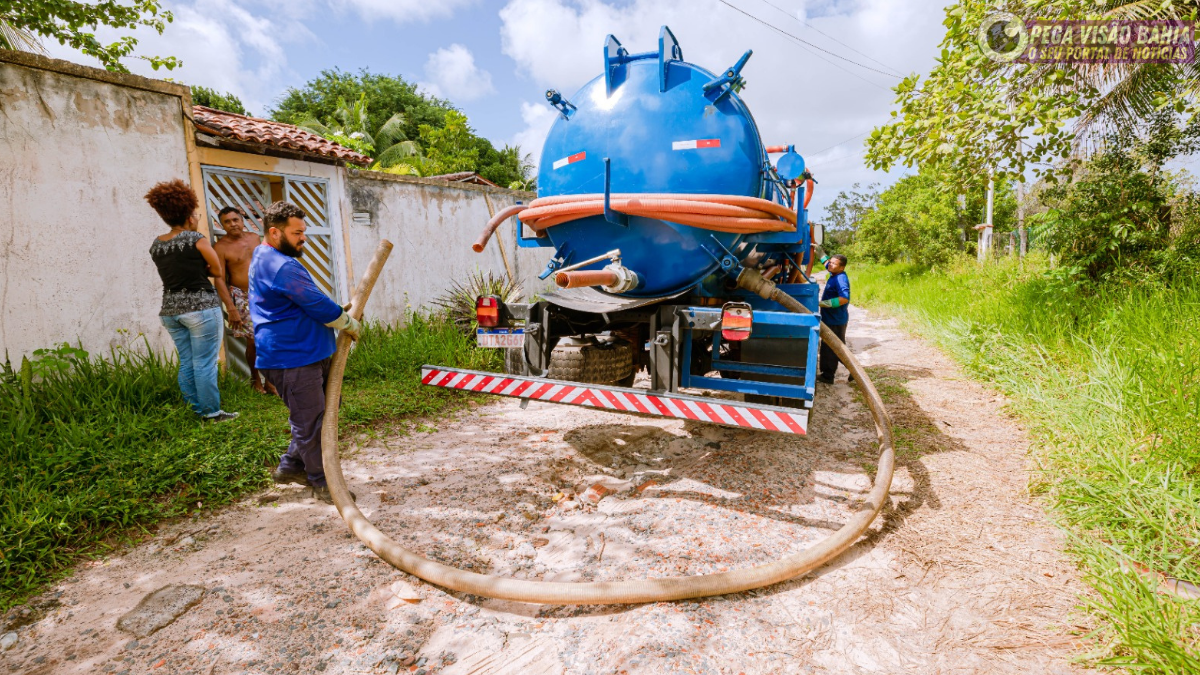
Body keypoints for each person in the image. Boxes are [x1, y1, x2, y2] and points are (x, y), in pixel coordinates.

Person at [249, 201, 362, 503]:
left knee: (316, 416)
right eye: (297, 232)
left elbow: (305, 300)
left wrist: (335, 312)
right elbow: (315, 303)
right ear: (274, 232)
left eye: (304, 232)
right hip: (292, 359)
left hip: (305, 353)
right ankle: (323, 483)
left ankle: (291, 467)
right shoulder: (279, 264)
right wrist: (347, 322)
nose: (304, 238)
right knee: (311, 421)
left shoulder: (270, 256)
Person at [144, 180, 241, 422]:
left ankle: (195, 410)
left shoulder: (156, 244)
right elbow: (217, 271)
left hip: (170, 310)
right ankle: (212, 413)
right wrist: (204, 268)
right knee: (205, 363)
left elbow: (175, 269)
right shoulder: (196, 239)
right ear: (189, 216)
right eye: (196, 214)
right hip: (201, 309)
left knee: (187, 361)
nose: (197, 218)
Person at [213, 206, 276, 396]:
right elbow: (219, 279)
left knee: (270, 338)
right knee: (253, 342)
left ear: (242, 220)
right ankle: (255, 379)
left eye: (235, 220)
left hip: (265, 293)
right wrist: (230, 307)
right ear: (222, 225)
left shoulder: (255, 238)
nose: (233, 224)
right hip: (242, 296)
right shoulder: (221, 247)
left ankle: (271, 382)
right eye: (227, 221)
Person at [816, 253, 851, 384]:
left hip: (835, 320)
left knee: (836, 348)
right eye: (830, 262)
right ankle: (828, 375)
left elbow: (844, 298)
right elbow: (826, 262)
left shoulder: (840, 279)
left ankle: (851, 370)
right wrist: (818, 250)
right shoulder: (834, 272)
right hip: (831, 318)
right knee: (829, 347)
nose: (830, 264)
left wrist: (823, 304)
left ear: (842, 268)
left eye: (834, 263)